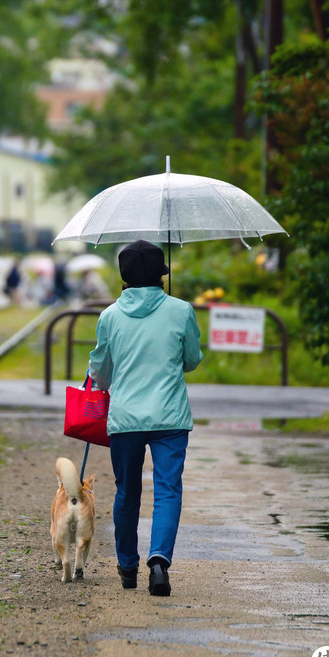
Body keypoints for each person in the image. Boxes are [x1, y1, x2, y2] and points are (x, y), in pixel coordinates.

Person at [87, 240, 203, 596]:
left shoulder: (109, 316)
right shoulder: (181, 310)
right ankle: (158, 562)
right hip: (170, 416)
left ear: (123, 277)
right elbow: (191, 360)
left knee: (127, 493)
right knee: (167, 490)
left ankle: (126, 565)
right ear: (162, 275)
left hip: (126, 420)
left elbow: (101, 376)